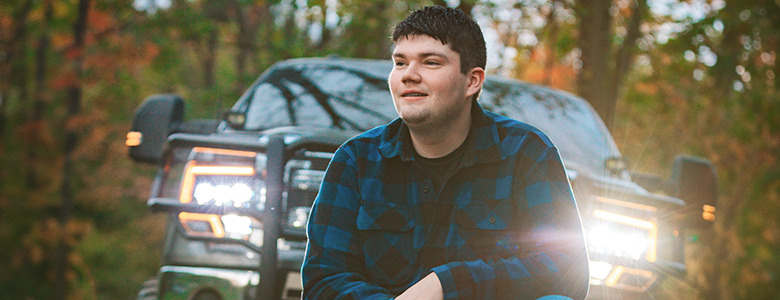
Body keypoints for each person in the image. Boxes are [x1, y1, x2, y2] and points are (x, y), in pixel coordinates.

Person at [302, 5, 589, 299]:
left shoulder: (525, 153)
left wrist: (449, 283)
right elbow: (323, 278)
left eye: (430, 62)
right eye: (400, 63)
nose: (408, 75)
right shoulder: (356, 160)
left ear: (472, 81)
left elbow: (566, 270)